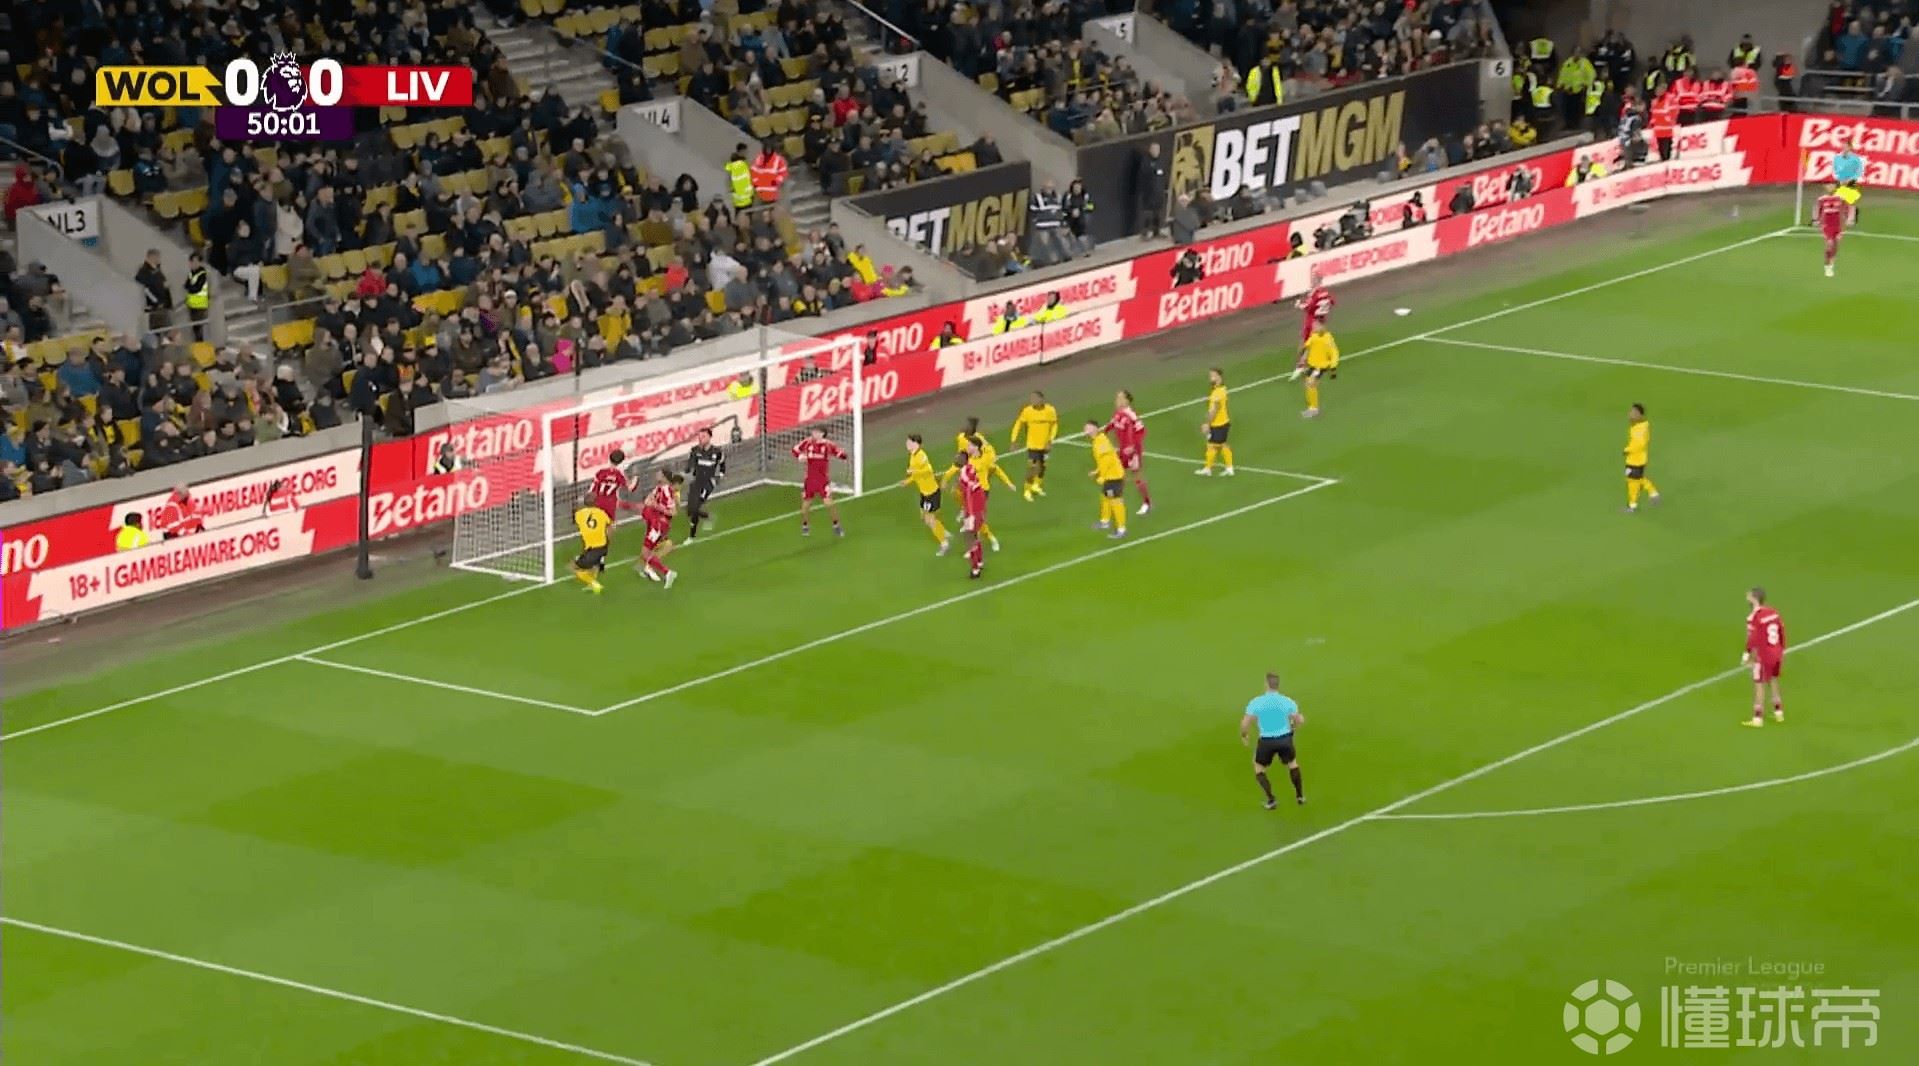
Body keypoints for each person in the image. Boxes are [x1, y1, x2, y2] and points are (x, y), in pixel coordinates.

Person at [941, 418, 1016, 550]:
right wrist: (946, 480)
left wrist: (1008, 483)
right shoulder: (967, 460)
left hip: (981, 492)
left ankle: (991, 539)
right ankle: (975, 546)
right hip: (969, 492)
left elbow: (997, 470)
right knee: (971, 519)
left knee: (977, 521)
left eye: (970, 445)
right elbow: (954, 470)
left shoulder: (985, 459)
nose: (967, 447)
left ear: (976, 447)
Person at [1240, 672, 1306, 809]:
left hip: (1266, 741)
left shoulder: (1256, 702)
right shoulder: (1287, 701)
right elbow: (1299, 720)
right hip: (1285, 739)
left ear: (1266, 684)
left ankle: (1271, 800)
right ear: (1277, 685)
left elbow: (1245, 723)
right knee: (1292, 764)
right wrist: (1294, 728)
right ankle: (1300, 796)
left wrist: (1244, 735)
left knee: (1259, 767)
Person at [1740, 587, 1787, 727]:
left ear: (1754, 599)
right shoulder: (1773, 612)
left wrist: (1746, 655)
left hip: (1763, 655)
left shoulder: (1753, 618)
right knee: (1773, 680)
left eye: (1749, 595)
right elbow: (1781, 629)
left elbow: (1752, 639)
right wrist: (1782, 648)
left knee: (1759, 684)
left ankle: (1757, 718)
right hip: (1776, 652)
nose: (1747, 597)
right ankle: (1779, 712)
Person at [792, 426, 847, 536]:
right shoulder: (807, 442)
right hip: (810, 480)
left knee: (828, 503)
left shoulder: (828, 445)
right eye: (813, 432)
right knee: (806, 504)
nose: (814, 434)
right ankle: (805, 524)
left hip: (822, 480)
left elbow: (842, 455)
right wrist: (800, 456)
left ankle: (836, 525)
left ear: (822, 434)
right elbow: (795, 450)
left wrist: (842, 455)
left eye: (817, 432)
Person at [901, 433, 951, 554]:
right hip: (924, 492)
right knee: (924, 517)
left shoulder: (921, 456)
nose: (906, 444)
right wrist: (907, 481)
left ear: (916, 444)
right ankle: (942, 531)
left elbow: (928, 470)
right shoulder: (913, 456)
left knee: (930, 520)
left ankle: (944, 544)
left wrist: (914, 471)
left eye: (909, 442)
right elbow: (915, 474)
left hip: (931, 493)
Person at [1105, 389, 1151, 515]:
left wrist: (1132, 447)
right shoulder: (1118, 414)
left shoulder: (1131, 415)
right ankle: (1117, 501)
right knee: (1118, 474)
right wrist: (1102, 433)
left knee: (1137, 476)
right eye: (1117, 397)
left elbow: (1141, 431)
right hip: (1122, 449)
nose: (1117, 400)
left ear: (1126, 401)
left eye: (1120, 398)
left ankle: (1147, 503)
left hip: (1133, 451)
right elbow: (1111, 425)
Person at [636, 469, 683, 587]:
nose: (656, 475)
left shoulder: (666, 491)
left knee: (646, 552)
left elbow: (673, 512)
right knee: (646, 552)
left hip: (659, 525)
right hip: (653, 523)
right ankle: (655, 570)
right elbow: (648, 500)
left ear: (664, 477)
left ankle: (667, 572)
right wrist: (649, 502)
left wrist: (656, 506)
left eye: (659, 474)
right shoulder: (658, 488)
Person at [1009, 390, 1059, 501]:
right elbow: (1018, 424)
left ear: (1041, 399)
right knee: (1032, 467)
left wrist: (1050, 440)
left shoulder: (1050, 410)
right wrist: (1013, 440)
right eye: (1032, 399)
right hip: (1033, 445)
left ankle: (1036, 485)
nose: (1033, 401)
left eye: (1035, 399)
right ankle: (1027, 489)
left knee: (1043, 465)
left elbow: (1054, 425)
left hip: (1045, 445)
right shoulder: (1027, 411)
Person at [1086, 419, 1128, 539]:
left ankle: (1122, 529)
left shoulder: (1101, 441)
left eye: (1088, 427)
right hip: (1110, 476)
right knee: (1105, 497)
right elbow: (1103, 460)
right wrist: (1096, 471)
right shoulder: (1097, 440)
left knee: (1115, 501)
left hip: (1113, 477)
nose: (1085, 430)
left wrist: (1102, 476)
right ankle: (1105, 521)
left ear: (1095, 428)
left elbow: (1108, 461)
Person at [682, 428, 726, 537]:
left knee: (695, 507)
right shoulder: (695, 451)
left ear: (710, 437)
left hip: (708, 482)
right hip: (697, 481)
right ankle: (708, 516)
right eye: (699, 437)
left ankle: (692, 536)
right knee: (690, 510)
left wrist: (720, 476)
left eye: (703, 436)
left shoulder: (717, 452)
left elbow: (722, 465)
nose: (700, 439)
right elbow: (689, 466)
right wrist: (686, 471)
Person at [955, 437, 988, 580]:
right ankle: (979, 561)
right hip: (978, 507)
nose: (955, 457)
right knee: (975, 535)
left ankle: (975, 569)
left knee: (969, 537)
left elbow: (969, 492)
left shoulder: (964, 473)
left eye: (958, 456)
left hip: (973, 509)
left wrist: (969, 513)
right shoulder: (969, 468)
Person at [1295, 322, 1340, 418]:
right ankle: (1312, 407)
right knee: (1308, 384)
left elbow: (1334, 353)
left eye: (1316, 327)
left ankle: (1314, 410)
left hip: (1321, 366)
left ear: (1322, 327)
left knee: (1311, 384)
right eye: (1313, 327)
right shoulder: (1314, 336)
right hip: (1312, 365)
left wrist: (1333, 368)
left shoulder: (1328, 339)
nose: (1314, 328)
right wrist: (1303, 359)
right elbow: (1307, 348)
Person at [1195, 368, 1234, 476]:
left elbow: (1215, 409)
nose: (1210, 377)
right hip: (1222, 423)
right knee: (1220, 445)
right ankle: (1225, 468)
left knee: (1213, 446)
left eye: (1213, 375)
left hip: (1219, 424)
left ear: (1219, 377)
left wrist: (1207, 424)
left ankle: (1210, 469)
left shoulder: (1218, 391)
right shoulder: (1219, 389)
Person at [1623, 402, 1660, 513]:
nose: (1631, 414)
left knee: (1634, 481)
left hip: (1635, 460)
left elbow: (1638, 444)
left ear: (1640, 415)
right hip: (1637, 459)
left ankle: (1651, 494)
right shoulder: (1640, 427)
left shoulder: (1639, 429)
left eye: (1634, 412)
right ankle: (1635, 504)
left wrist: (1627, 450)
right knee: (1635, 481)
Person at [571, 501, 612, 593]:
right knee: (593, 566)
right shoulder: (601, 512)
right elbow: (609, 526)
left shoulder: (579, 514)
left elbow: (575, 515)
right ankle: (592, 581)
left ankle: (594, 583)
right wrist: (608, 542)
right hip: (603, 546)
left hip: (592, 549)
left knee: (573, 566)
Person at [589, 449, 637, 523]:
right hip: (610, 503)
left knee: (596, 524)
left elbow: (592, 487)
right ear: (621, 462)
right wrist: (636, 478)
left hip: (597, 501)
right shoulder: (619, 475)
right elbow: (631, 488)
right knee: (609, 525)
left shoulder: (601, 472)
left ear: (609, 458)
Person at [1815, 182, 1848, 278]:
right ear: (1825, 187)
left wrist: (1845, 224)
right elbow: (1819, 211)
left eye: (1832, 185)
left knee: (1835, 246)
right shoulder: (1822, 199)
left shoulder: (1840, 198)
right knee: (1829, 245)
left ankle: (1831, 262)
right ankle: (1827, 266)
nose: (1830, 187)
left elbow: (1844, 211)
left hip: (1838, 225)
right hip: (1827, 225)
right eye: (1828, 185)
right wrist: (1818, 221)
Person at [1294, 271, 1333, 350]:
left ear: (1317, 280)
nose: (1311, 280)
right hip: (1321, 320)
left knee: (1306, 343)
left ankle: (1303, 357)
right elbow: (1332, 302)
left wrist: (1299, 305)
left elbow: (1309, 307)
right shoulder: (1325, 292)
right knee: (1319, 341)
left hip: (1312, 321)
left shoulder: (1315, 293)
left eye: (1313, 279)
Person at [1830, 137, 1865, 222]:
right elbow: (1834, 170)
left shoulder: (1856, 159)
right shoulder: (1837, 158)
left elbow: (1859, 172)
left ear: (1850, 147)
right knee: (1838, 200)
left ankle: (1851, 218)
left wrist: (1850, 179)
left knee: (1849, 200)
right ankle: (1843, 216)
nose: (1844, 148)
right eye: (1843, 146)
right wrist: (1839, 179)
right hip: (1840, 182)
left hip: (1851, 182)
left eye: (1846, 146)